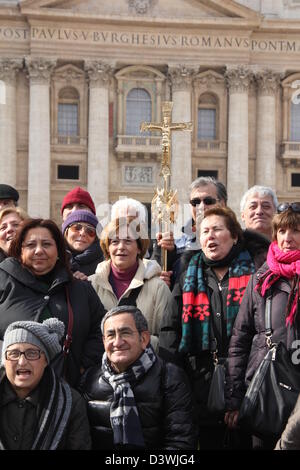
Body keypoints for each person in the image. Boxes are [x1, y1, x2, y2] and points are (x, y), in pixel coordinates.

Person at [159, 206, 258, 449]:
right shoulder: (189, 273)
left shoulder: (255, 273)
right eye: (204, 231)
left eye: (217, 229)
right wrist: (177, 381)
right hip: (199, 383)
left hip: (247, 382)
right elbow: (169, 330)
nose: (210, 236)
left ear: (234, 236)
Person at [225, 202, 300, 450]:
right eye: (281, 231)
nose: (287, 238)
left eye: (295, 231)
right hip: (265, 391)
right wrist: (235, 398)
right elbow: (240, 339)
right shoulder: (261, 278)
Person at [0, 218, 105, 387]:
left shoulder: (81, 289)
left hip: (67, 388)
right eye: (31, 245)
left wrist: (81, 366)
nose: (39, 251)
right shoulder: (3, 279)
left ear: (58, 250)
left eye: (47, 244)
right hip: (9, 392)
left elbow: (101, 329)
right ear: (20, 250)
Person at [80, 305, 197, 450]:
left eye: (125, 333)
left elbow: (180, 442)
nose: (117, 342)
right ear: (103, 341)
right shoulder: (90, 379)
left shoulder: (170, 377)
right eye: (110, 335)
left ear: (144, 339)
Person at [0, 317, 92, 450]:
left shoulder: (71, 402)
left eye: (32, 353)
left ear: (45, 361)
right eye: (14, 353)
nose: (22, 362)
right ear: (4, 361)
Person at [89, 216, 173, 352]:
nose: (121, 247)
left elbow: (168, 337)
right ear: (108, 248)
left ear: (139, 248)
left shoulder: (158, 288)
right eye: (115, 242)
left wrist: (134, 343)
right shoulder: (91, 285)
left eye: (128, 241)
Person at [152, 176, 228, 288]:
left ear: (223, 204)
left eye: (208, 201)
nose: (201, 207)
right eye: (195, 202)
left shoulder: (236, 240)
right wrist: (164, 256)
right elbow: (158, 277)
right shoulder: (176, 242)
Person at [62, 209, 103, 278]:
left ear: (96, 238)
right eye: (76, 228)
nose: (82, 233)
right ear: (66, 232)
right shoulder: (52, 259)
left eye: (90, 231)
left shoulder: (105, 266)